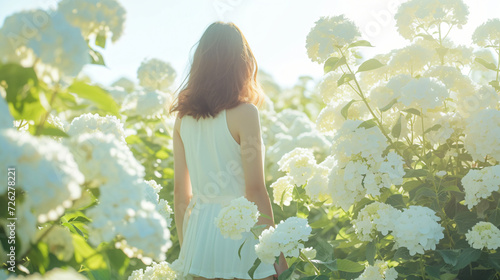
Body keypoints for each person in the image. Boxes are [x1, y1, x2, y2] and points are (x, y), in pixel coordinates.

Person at [169, 22, 288, 280]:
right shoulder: (245, 114)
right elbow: (255, 190)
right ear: (241, 64)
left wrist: (187, 249)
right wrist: (275, 252)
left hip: (199, 235)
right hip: (242, 232)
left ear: (199, 64)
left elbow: (181, 193)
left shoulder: (182, 120)